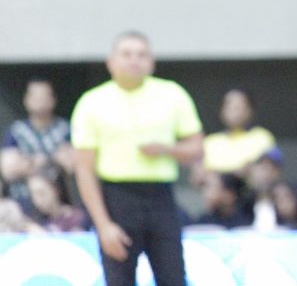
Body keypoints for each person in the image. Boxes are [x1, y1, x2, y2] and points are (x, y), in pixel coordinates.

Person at [71, 31, 203, 286]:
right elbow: (84, 169)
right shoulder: (92, 102)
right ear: (111, 62)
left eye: (142, 55)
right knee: (119, 279)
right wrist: (103, 225)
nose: (134, 60)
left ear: (151, 63)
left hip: (161, 199)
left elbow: (197, 148)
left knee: (173, 277)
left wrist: (167, 149)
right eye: (127, 54)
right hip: (117, 200)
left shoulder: (172, 94)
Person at [0, 78, 73, 210]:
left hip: (60, 205)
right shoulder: (16, 131)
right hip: (21, 202)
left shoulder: (65, 129)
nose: (40, 101)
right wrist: (41, 162)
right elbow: (7, 169)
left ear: (53, 100)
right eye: (35, 97)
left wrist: (31, 162)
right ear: (26, 100)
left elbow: (72, 165)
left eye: (44, 97)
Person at [203, 88, 276, 176]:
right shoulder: (210, 141)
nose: (233, 112)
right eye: (229, 107)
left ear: (250, 110)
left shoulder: (262, 137)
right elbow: (201, 174)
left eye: (238, 107)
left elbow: (265, 171)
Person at [26, 167, 87, 232]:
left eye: (41, 193)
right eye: (33, 195)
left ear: (56, 190)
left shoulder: (75, 218)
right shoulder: (34, 220)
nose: (37, 200)